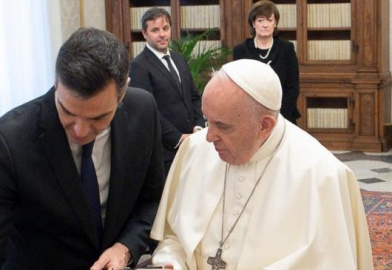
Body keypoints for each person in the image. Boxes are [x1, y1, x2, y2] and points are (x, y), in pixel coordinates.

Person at [0, 27, 165, 270]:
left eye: (98, 118)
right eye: (68, 112)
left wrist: (125, 248)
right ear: (56, 83)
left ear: (122, 93)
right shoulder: (7, 142)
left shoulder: (143, 111)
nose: (80, 131)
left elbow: (152, 201)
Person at [150, 59, 373, 269]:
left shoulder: (322, 176)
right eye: (208, 120)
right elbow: (174, 237)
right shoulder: (195, 150)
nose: (209, 137)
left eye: (223, 126)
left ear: (265, 125)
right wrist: (173, 262)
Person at [129, 7, 205, 176]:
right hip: (166, 152)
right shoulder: (138, 66)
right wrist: (178, 138)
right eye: (155, 30)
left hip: (193, 145)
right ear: (144, 33)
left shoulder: (179, 58)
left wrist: (198, 127)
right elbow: (148, 112)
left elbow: (193, 96)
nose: (162, 34)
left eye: (165, 28)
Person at [233, 0, 301, 124]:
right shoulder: (241, 51)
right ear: (253, 24)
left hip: (283, 116)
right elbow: (238, 88)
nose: (265, 25)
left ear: (275, 24)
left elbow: (293, 87)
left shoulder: (286, 49)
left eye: (269, 20)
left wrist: (277, 117)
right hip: (250, 117)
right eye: (260, 20)